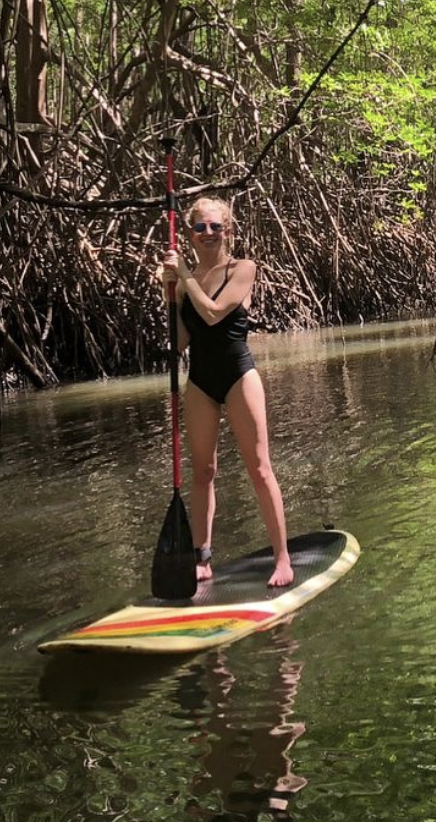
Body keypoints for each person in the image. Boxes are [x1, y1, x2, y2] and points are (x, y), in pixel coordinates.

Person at [160, 196, 293, 588]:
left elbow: (215, 313)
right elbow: (179, 342)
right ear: (190, 233)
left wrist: (182, 275)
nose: (208, 234)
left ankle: (282, 559)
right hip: (200, 380)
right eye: (200, 227)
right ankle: (202, 557)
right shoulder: (185, 283)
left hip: (238, 375)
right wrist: (168, 294)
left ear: (228, 230)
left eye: (215, 227)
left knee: (260, 467)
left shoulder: (243, 269)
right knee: (203, 472)